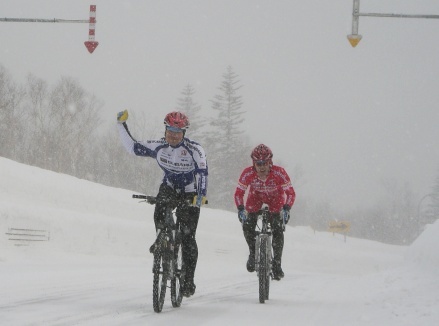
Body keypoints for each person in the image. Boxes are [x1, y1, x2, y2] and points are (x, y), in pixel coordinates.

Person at [116, 109, 208, 297]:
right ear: (165, 130)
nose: (173, 136)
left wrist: (201, 196)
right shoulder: (159, 146)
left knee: (189, 238)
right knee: (159, 210)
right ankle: (161, 239)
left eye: (177, 132)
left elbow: (202, 173)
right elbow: (132, 147)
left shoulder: (195, 150)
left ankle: (188, 280)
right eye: (170, 131)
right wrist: (120, 124)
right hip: (169, 187)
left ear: (184, 133)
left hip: (190, 191)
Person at [234, 144, 295, 280]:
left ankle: (277, 263)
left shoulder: (279, 173)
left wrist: (286, 208)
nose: (261, 167)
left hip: (276, 198)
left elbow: (290, 193)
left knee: (277, 229)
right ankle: (252, 252)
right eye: (258, 163)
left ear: (270, 162)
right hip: (255, 197)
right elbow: (238, 193)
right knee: (247, 224)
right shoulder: (248, 173)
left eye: (265, 163)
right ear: (253, 163)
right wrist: (240, 209)